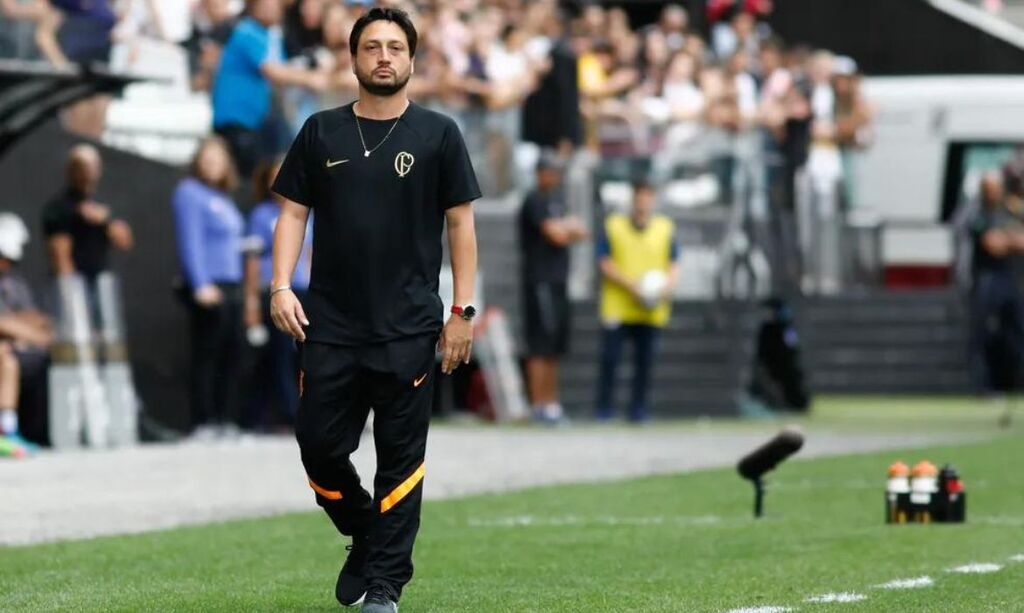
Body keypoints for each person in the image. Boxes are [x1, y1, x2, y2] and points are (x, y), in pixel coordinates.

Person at [269, 8, 480, 612]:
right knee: (318, 446)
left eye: (394, 47)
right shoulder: (320, 130)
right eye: (371, 47)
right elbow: (291, 213)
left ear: (413, 60)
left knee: (401, 461)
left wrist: (461, 310)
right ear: (353, 58)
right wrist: (281, 285)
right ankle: (363, 531)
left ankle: (386, 587)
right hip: (330, 324)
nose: (383, 56)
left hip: (410, 326)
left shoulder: (439, 133)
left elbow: (461, 224)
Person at [171, 136, 247, 439]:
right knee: (207, 353)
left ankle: (225, 419)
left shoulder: (224, 197)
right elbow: (190, 241)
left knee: (231, 353)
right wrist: (199, 283)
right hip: (209, 284)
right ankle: (203, 421)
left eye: (218, 160)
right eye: (207, 159)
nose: (212, 165)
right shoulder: (189, 193)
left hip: (231, 284)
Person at [595, 180, 680, 422]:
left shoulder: (665, 228)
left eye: (647, 197)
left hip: (651, 309)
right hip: (619, 306)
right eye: (639, 197)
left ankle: (638, 411)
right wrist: (633, 286)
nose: (643, 202)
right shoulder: (614, 225)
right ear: (633, 200)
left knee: (645, 364)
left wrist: (667, 286)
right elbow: (604, 261)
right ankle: (604, 410)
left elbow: (674, 263)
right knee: (610, 360)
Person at [211, 0, 326, 177]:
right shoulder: (247, 31)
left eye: (274, 6)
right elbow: (273, 71)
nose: (270, 9)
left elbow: (285, 68)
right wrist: (312, 78)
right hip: (236, 120)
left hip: (254, 122)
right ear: (253, 8)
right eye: (264, 5)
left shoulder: (270, 36)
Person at [518, 152, 587, 424]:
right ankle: (538, 404)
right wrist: (565, 229)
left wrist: (565, 228)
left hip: (558, 280)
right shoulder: (534, 200)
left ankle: (551, 403)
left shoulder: (557, 200)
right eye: (550, 171)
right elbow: (556, 235)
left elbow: (581, 230)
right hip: (539, 281)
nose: (555, 177)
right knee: (539, 344)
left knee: (554, 345)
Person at [243, 158, 312, 430]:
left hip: (304, 290)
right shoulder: (261, 215)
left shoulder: (310, 213)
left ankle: (304, 410)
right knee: (281, 353)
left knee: (303, 355)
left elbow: (311, 254)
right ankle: (289, 412)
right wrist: (251, 299)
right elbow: (253, 259)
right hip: (275, 290)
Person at [41, 144, 134, 324]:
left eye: (92, 166)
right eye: (82, 166)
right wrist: (71, 294)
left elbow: (124, 241)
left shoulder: (101, 205)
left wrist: (105, 221)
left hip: (100, 285)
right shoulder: (60, 207)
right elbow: (60, 255)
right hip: (75, 287)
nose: (87, 172)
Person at [0, 213, 53, 456]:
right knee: (5, 359)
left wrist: (23, 328)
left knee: (7, 359)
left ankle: (7, 434)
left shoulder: (13, 282)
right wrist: (29, 334)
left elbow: (33, 317)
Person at [969, 172, 1024, 393]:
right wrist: (1011, 239)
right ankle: (985, 387)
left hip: (1009, 279)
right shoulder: (979, 215)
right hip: (987, 280)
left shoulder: (1009, 213)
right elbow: (994, 245)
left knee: (1018, 332)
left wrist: (1008, 239)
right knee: (982, 335)